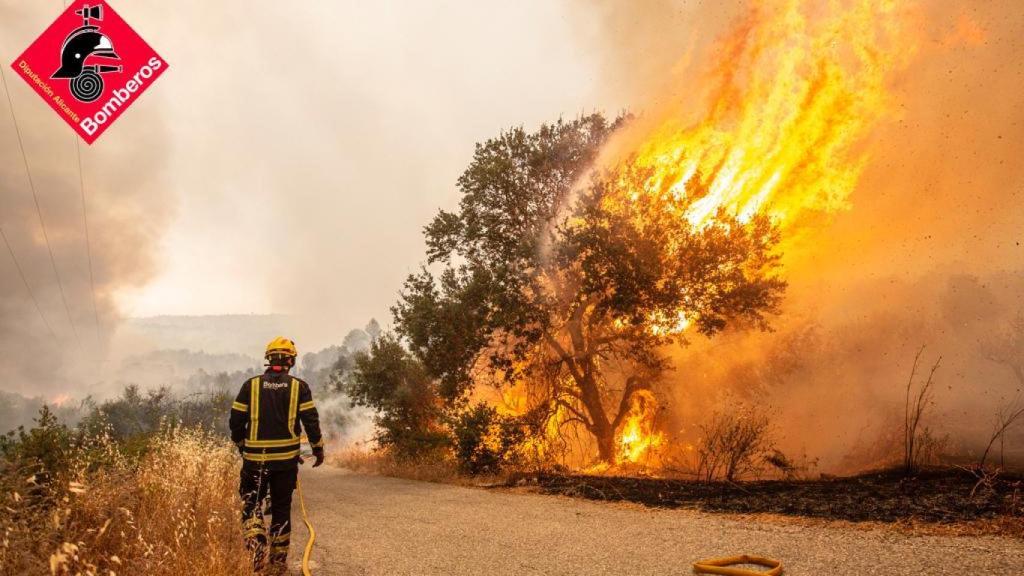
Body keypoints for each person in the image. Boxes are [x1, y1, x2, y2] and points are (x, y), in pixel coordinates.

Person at [229, 336, 324, 572]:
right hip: (285, 464)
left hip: (255, 461)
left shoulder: (250, 385)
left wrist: (242, 444)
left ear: (268, 359)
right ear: (291, 360)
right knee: (281, 509)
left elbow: (235, 421)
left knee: (251, 503)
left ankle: (256, 544)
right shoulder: (299, 387)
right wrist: (318, 448)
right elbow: (311, 421)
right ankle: (278, 562)